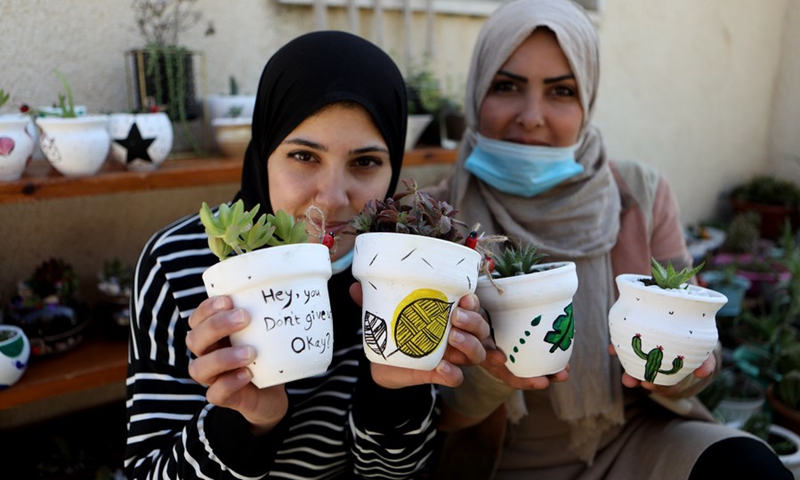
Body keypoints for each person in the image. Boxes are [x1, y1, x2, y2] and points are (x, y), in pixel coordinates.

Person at [433, 1, 792, 479]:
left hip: (634, 444)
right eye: (506, 86)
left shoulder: (638, 194)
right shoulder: (436, 219)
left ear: (588, 100)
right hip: (493, 462)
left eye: (561, 90)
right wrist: (490, 373)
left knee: (747, 469)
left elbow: (698, 343)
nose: (533, 116)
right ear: (477, 90)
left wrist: (679, 371)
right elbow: (434, 412)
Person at [124, 30, 489, 480]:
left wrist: (393, 394)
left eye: (366, 162)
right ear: (264, 153)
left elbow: (395, 473)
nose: (332, 198)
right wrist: (247, 422)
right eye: (303, 155)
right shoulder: (180, 263)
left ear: (395, 168)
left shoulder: (403, 275)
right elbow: (146, 470)